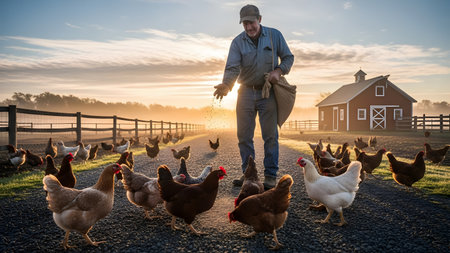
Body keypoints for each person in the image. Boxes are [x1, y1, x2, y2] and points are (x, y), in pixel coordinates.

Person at [213, 4, 294, 189]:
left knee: (270, 136)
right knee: (244, 136)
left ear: (260, 19)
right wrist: (226, 85)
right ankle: (249, 174)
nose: (249, 27)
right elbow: (232, 67)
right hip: (245, 92)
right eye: (245, 24)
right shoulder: (237, 42)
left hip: (268, 93)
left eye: (252, 23)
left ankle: (270, 176)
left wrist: (279, 71)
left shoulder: (275, 36)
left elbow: (288, 57)